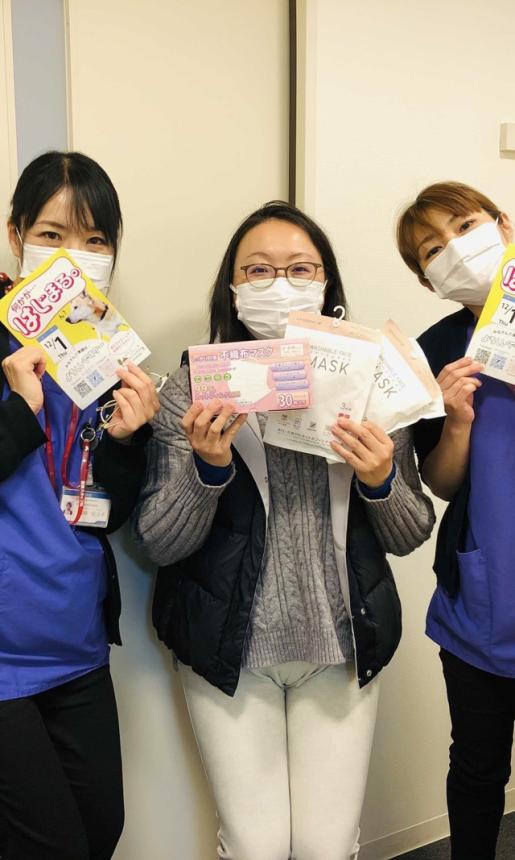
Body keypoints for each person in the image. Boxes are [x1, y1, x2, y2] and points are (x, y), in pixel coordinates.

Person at [133, 200, 435, 860]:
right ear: (232, 288)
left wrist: (381, 478)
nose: (280, 285)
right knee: (255, 846)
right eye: (258, 270)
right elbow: (158, 540)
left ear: (326, 285)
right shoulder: (192, 389)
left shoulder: (371, 385)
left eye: (300, 269)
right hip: (231, 649)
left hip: (341, 646)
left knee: (329, 846)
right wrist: (208, 470)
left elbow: (411, 532)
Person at [0, 150, 160, 860]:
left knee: (100, 830)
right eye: (53, 233)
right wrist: (20, 410)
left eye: (96, 239)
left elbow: (106, 513)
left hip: (74, 643)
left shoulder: (103, 353)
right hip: (3, 657)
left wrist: (127, 443)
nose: (75, 253)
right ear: (15, 235)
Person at [396, 181, 515, 860]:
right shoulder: (434, 349)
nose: (454, 251)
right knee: (476, 767)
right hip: (483, 599)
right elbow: (440, 483)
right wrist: (458, 422)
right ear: (427, 281)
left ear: (503, 223)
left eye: (465, 227)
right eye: (431, 250)